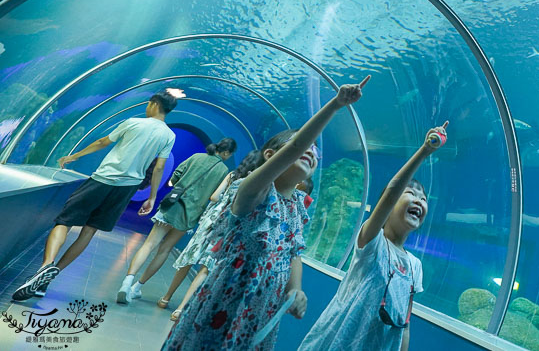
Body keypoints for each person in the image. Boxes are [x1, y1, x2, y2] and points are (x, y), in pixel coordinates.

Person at [162, 75, 370, 351]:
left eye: (315, 152)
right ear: (271, 155)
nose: (311, 151)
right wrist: (334, 105)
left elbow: (294, 251)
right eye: (303, 144)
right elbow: (296, 147)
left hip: (262, 310)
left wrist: (295, 288)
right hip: (226, 298)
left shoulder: (297, 205)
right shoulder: (255, 190)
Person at [12, 88, 180, 302]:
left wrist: (75, 156)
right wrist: (152, 197)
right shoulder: (169, 135)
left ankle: (45, 267)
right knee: (89, 231)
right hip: (126, 189)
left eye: (148, 103)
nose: (146, 107)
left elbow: (103, 142)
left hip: (102, 179)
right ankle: (45, 282)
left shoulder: (134, 122)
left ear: (155, 103)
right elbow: (158, 168)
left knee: (64, 221)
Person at [298, 121, 448, 351]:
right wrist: (424, 151)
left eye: (424, 198)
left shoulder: (415, 266)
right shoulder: (372, 241)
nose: (419, 200)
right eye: (410, 193)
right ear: (387, 206)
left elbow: (404, 324)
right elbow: (390, 191)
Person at [117, 137, 237, 304]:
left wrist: (180, 184)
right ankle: (137, 287)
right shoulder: (224, 171)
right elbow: (215, 197)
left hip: (171, 207)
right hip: (190, 215)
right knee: (164, 250)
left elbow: (174, 178)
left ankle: (127, 282)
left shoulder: (196, 157)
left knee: (149, 244)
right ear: (226, 152)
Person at [158, 150, 261, 320]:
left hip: (210, 221)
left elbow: (214, 197)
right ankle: (181, 309)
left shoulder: (232, 175)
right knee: (206, 266)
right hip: (227, 225)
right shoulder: (254, 183)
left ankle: (166, 298)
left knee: (189, 259)